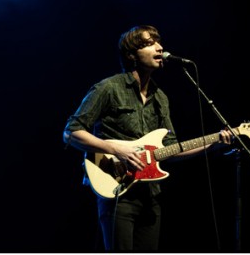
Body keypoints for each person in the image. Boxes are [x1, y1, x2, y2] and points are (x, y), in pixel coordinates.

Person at [63, 24, 232, 252]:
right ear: (132, 54)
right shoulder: (108, 88)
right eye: (150, 43)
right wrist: (117, 150)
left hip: (151, 196)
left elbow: (172, 149)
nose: (160, 47)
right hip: (117, 191)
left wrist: (213, 144)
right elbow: (72, 131)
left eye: (159, 42)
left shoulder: (160, 98)